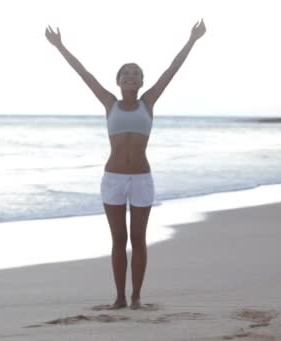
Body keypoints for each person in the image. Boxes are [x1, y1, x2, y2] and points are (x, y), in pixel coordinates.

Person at [45, 19, 206, 309]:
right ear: (118, 81)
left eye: (136, 74)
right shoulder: (109, 103)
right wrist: (60, 46)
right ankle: (119, 297)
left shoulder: (149, 102)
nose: (131, 77)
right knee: (119, 238)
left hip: (142, 179)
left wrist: (192, 40)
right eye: (126, 74)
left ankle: (136, 298)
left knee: (139, 238)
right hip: (114, 179)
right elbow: (84, 74)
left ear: (142, 82)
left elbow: (172, 70)